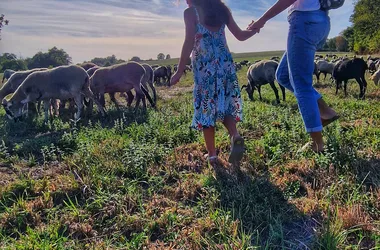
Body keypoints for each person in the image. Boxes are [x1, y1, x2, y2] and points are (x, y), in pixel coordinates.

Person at [170, 0, 257, 172]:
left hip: (205, 68)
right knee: (223, 103)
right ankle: (235, 135)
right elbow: (240, 35)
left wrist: (180, 70)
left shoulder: (191, 13)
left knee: (207, 107)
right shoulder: (221, 9)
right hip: (225, 65)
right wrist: (254, 29)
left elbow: (188, 41)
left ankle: (212, 156)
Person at [248, 0, 339, 153]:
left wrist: (261, 20)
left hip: (305, 21)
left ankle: (317, 145)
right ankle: (325, 111)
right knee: (282, 75)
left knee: (301, 85)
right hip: (318, 20)